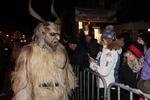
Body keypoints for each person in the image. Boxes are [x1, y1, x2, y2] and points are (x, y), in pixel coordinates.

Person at [11, 0, 78, 100]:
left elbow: (68, 77)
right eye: (52, 34)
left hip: (60, 95)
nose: (58, 38)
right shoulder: (29, 53)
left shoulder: (61, 52)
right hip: (40, 96)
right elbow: (22, 83)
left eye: (58, 34)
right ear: (42, 33)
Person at [89, 28, 124, 100]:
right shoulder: (107, 51)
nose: (101, 41)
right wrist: (95, 62)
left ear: (105, 40)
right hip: (105, 85)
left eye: (102, 39)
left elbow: (104, 72)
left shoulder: (110, 52)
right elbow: (104, 66)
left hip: (107, 86)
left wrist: (92, 64)